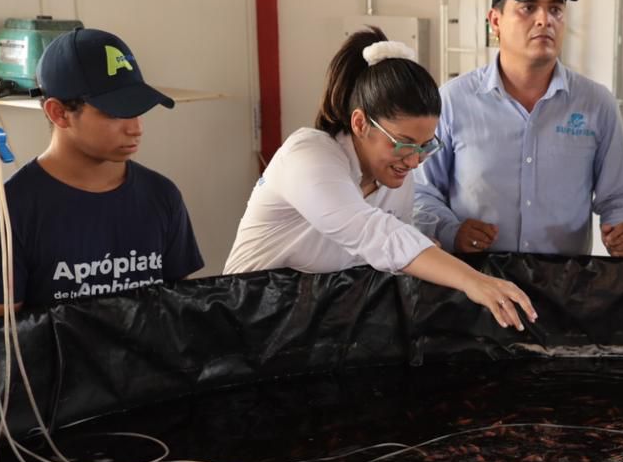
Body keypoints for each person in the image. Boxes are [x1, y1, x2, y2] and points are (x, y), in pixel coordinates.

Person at [223, 29, 535, 330]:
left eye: (425, 145)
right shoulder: (308, 157)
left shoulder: (394, 179)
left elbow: (390, 253)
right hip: (249, 326)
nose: (414, 161)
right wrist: (472, 281)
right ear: (360, 123)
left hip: (315, 331)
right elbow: (375, 235)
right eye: (402, 143)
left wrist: (426, 245)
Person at [412, 0, 623, 258]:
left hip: (565, 288)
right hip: (474, 282)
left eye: (556, 10)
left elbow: (621, 192)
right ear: (495, 20)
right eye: (528, 7)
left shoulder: (596, 103)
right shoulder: (454, 101)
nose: (544, 20)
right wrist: (451, 230)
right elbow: (420, 192)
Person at [0, 28, 202, 312]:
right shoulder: (8, 211)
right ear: (59, 113)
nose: (135, 128)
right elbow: (6, 339)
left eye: (137, 109)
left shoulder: (162, 195)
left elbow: (179, 311)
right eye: (115, 112)